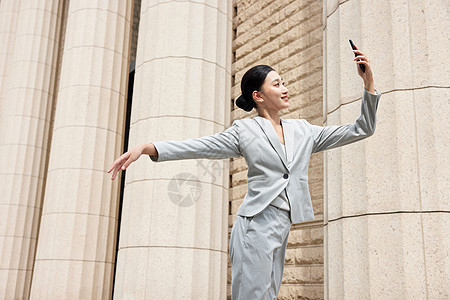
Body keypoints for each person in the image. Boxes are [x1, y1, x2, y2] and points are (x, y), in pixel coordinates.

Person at [108, 44, 381, 299]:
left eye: (283, 82)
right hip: (255, 226)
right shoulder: (245, 131)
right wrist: (148, 147)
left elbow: (361, 129)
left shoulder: (303, 130)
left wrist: (367, 84)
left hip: (282, 224)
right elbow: (200, 146)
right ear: (258, 96)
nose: (285, 88)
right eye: (277, 84)